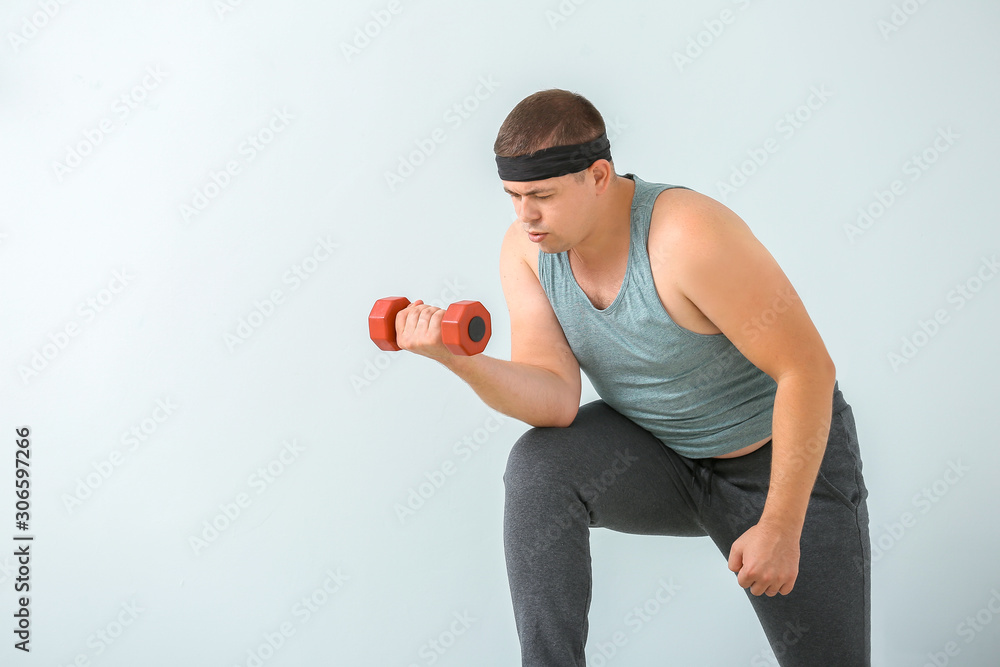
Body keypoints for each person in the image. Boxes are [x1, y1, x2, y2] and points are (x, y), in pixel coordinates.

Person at [393, 89, 871, 667]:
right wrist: (458, 358)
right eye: (513, 197)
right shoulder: (527, 250)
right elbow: (554, 399)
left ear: (598, 175)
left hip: (779, 466)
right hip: (662, 459)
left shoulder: (687, 237)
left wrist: (780, 523)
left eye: (541, 196)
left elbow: (808, 370)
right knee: (539, 467)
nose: (525, 217)